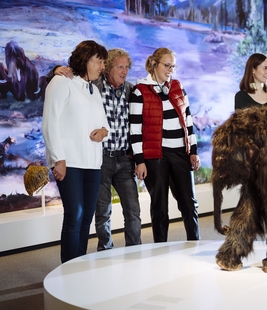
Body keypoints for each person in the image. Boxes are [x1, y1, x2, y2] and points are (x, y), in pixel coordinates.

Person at [50, 49, 142, 251]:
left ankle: (135, 252)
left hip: (122, 158)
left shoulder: (131, 90)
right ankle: (104, 251)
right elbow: (54, 114)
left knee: (132, 210)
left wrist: (138, 156)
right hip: (101, 158)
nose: (124, 71)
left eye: (127, 67)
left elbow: (133, 125)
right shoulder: (93, 86)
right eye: (120, 67)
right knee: (100, 212)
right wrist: (54, 70)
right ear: (107, 67)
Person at [42, 40, 110, 263]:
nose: (102, 66)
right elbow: (50, 122)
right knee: (75, 216)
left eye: (103, 62)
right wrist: (57, 159)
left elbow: (103, 124)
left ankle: (78, 266)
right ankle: (67, 272)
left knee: (86, 218)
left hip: (92, 164)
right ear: (85, 60)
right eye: (98, 61)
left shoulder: (94, 91)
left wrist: (103, 131)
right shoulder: (62, 82)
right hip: (69, 162)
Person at [129, 47, 201, 242]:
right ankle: (160, 248)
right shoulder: (139, 91)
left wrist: (192, 151)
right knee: (160, 206)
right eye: (167, 65)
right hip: (155, 156)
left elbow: (188, 121)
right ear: (154, 64)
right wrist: (140, 161)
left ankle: (194, 243)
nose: (170, 70)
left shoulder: (178, 87)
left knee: (188, 203)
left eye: (173, 66)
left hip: (180, 153)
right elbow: (134, 130)